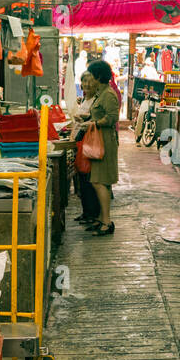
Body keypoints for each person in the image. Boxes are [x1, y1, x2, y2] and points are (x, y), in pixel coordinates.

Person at [81, 60, 120, 236]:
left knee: (100, 181)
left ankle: (106, 222)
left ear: (98, 77)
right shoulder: (101, 93)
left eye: (92, 76)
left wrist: (93, 123)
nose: (90, 81)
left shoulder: (108, 95)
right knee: (97, 180)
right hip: (98, 140)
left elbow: (112, 118)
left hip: (105, 142)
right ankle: (101, 219)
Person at [70, 76, 101, 225]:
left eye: (89, 83)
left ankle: (92, 213)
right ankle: (86, 212)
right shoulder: (84, 100)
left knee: (88, 178)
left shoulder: (96, 101)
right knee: (82, 178)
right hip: (80, 140)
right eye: (84, 82)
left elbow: (96, 119)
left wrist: (85, 119)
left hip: (89, 142)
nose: (86, 85)